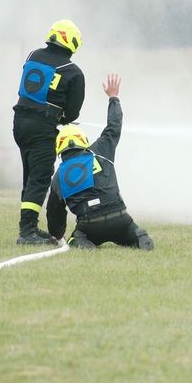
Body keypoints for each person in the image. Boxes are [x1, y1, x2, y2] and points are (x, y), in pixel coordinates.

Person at [51, 73, 154, 251]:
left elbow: (55, 213)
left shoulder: (59, 176)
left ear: (59, 149)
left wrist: (57, 234)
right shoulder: (100, 150)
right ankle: (140, 238)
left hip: (90, 225)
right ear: (83, 141)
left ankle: (82, 244)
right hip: (119, 217)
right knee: (137, 234)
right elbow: (114, 126)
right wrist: (113, 97)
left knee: (76, 239)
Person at [12, 20, 85, 245]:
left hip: (20, 123)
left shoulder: (33, 56)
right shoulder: (73, 72)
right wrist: (60, 117)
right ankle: (26, 234)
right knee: (41, 178)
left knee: (31, 177)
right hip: (41, 129)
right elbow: (72, 114)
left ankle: (29, 227)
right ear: (71, 43)